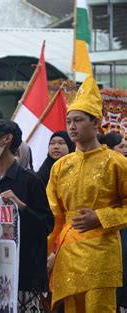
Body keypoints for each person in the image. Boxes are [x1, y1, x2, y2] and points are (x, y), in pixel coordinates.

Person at [46, 76, 127, 313]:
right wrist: (51, 252)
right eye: (69, 121)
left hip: (102, 254)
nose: (71, 126)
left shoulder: (117, 163)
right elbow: (55, 216)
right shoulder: (60, 166)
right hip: (69, 253)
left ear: (96, 123)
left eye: (78, 120)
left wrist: (100, 217)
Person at [0, 118, 53, 313]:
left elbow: (46, 225)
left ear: (7, 139)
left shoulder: (31, 181)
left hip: (25, 275)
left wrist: (21, 207)